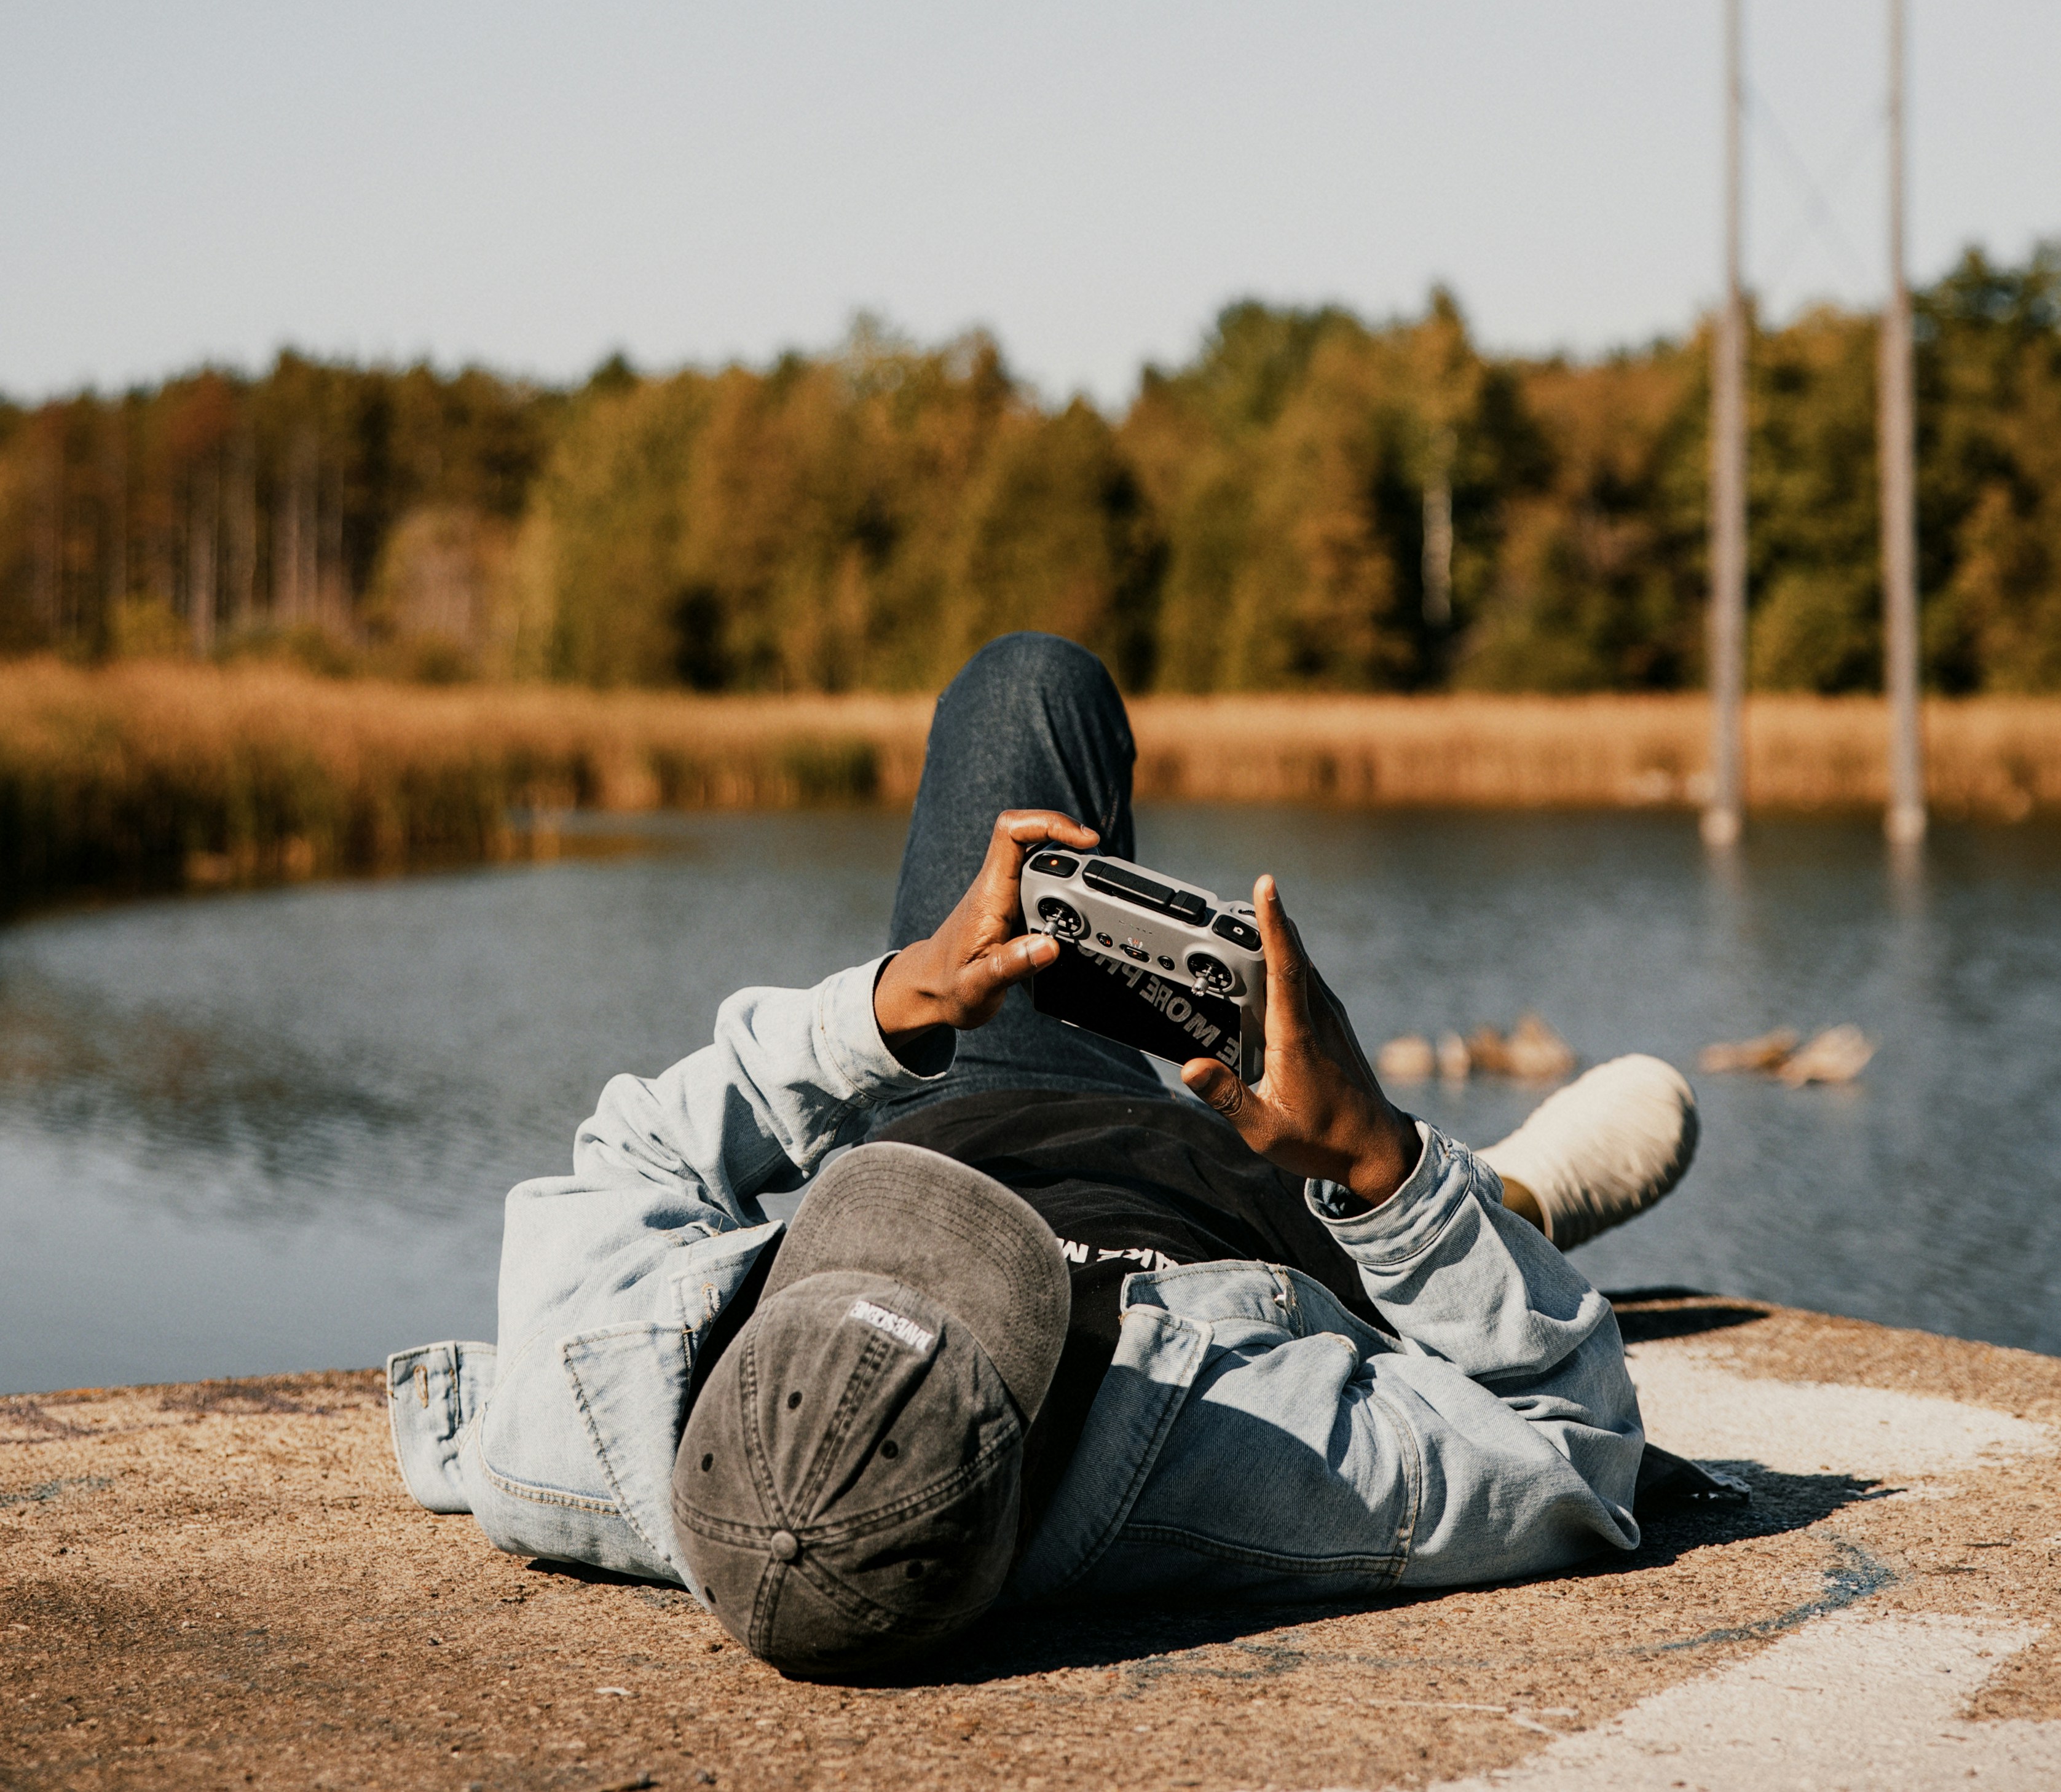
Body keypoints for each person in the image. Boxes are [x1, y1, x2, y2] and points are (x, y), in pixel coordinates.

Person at [389, 635, 1697, 1677]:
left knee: (1030, 684)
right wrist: (1375, 1162)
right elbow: (1575, 1453)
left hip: (942, 1106)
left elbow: (630, 1146)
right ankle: (1512, 1195)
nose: (948, 1246)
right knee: (1408, 1223)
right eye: (971, 1294)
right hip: (1222, 1207)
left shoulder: (615, 1426)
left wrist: (896, 1002)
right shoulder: (1229, 1461)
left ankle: (1476, 1194)